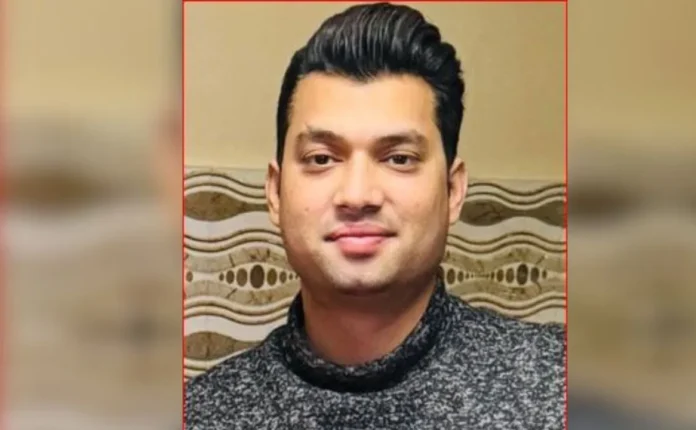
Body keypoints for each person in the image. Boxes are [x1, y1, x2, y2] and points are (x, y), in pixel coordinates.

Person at [185, 3, 565, 429]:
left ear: (453, 190)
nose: (358, 195)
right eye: (322, 158)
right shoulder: (198, 413)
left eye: (399, 158)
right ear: (275, 192)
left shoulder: (558, 383)